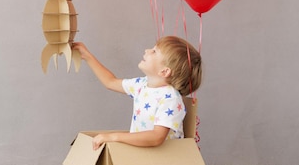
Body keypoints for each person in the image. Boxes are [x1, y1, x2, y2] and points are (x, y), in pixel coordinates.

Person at [72, 36, 202, 150]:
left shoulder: (170, 99)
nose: (147, 50)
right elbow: (110, 82)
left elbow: (157, 137)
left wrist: (114, 137)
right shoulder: (141, 84)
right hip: (144, 152)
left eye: (154, 51)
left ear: (164, 71)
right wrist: (86, 55)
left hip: (164, 158)